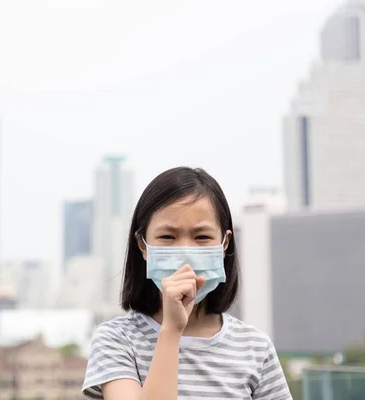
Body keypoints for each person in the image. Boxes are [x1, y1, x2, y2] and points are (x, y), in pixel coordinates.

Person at [82, 167, 292, 400]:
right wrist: (171, 330)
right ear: (142, 245)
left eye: (202, 237)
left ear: (224, 243)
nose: (186, 252)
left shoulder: (255, 348)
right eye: (167, 237)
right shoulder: (116, 339)